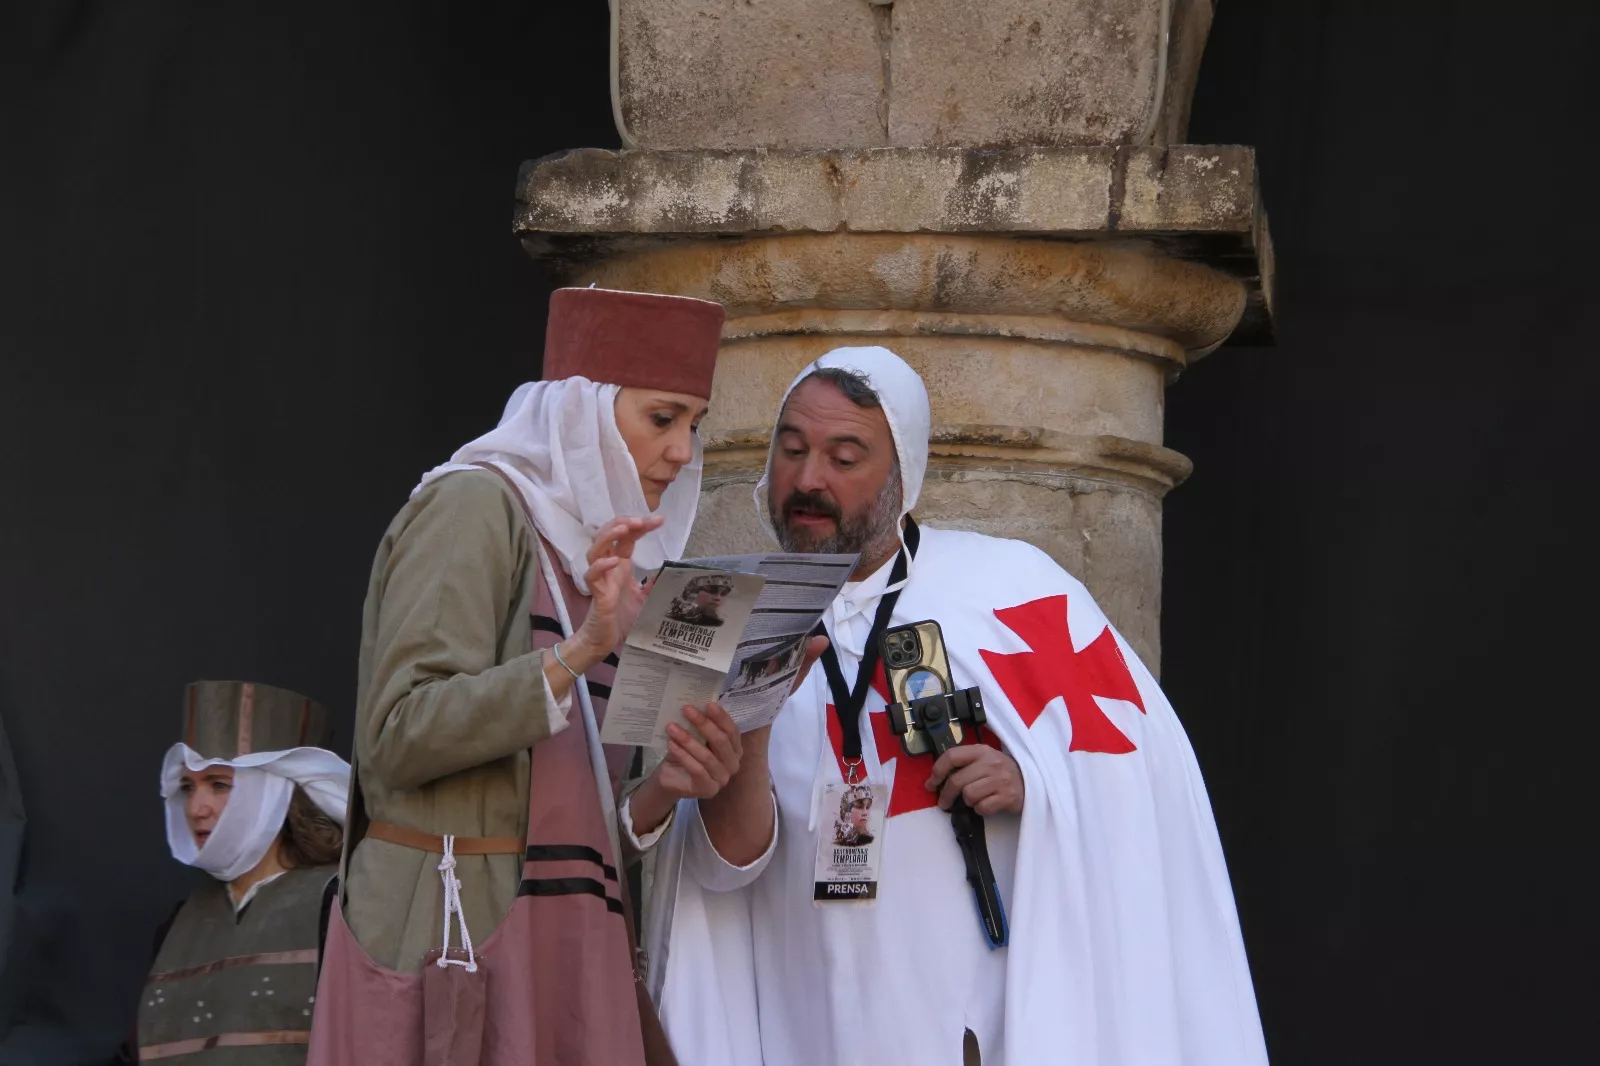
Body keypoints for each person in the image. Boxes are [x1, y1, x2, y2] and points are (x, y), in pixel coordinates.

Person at [651, 347, 1269, 1065]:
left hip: (967, 1012)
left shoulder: (1008, 590)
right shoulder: (724, 615)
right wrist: (750, 721)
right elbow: (716, 873)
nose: (808, 479)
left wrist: (1035, 785)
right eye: (791, 450)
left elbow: (1141, 782)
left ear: (903, 473)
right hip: (803, 1011)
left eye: (845, 458)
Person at [309, 286, 749, 1066]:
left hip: (567, 946)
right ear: (582, 411)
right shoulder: (473, 508)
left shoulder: (609, 562)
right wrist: (578, 650)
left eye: (693, 424)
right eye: (662, 418)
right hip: (453, 939)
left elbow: (569, 824)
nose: (683, 452)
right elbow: (395, 736)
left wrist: (668, 787)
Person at [117, 680, 349, 1063]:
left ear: (272, 792)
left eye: (218, 784)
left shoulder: (339, 906)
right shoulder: (178, 925)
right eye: (188, 787)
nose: (196, 808)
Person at [666, 575, 732, 627]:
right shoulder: (674, 615)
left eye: (724, 593)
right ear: (693, 592)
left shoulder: (719, 623)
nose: (718, 598)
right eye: (711, 591)